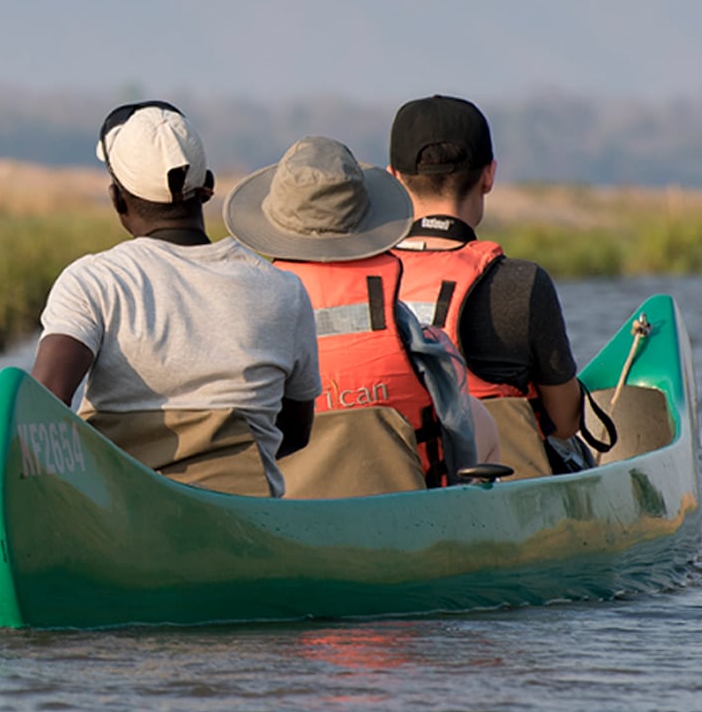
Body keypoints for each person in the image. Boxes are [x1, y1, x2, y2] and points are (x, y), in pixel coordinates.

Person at [32, 101, 322, 498]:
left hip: (118, 515)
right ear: (208, 186)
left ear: (117, 199)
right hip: (244, 518)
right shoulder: (284, 290)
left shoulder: (94, 281)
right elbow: (294, 433)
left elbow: (40, 410)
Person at [223, 135, 501, 493]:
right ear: (364, 220)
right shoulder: (409, 332)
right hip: (407, 513)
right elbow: (457, 435)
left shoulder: (251, 326)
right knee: (484, 423)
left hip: (288, 518)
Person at [386, 95, 585, 478]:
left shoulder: (362, 284)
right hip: (503, 499)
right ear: (489, 175)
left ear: (394, 179)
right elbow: (565, 423)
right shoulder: (522, 284)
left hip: (390, 486)